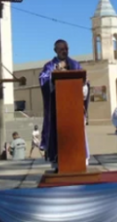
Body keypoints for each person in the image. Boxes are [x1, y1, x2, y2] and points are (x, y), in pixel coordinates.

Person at [39, 39, 90, 169]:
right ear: (55, 50)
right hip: (57, 109)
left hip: (73, 109)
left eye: (66, 48)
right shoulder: (49, 66)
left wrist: (84, 84)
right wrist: (54, 76)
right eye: (61, 49)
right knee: (57, 134)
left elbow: (83, 81)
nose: (64, 51)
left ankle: (79, 161)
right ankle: (58, 163)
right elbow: (43, 80)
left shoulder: (75, 65)